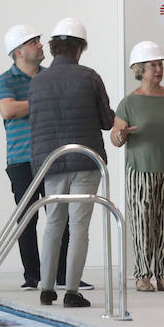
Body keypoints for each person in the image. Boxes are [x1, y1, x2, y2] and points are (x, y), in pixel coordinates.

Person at [28, 18, 114, 309]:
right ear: (80, 48)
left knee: (53, 224)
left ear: (54, 48)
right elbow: (105, 120)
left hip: (51, 162)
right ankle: (72, 291)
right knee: (79, 227)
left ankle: (46, 289)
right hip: (86, 159)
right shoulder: (89, 76)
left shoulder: (37, 82)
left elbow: (36, 126)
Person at [0, 25, 70, 290]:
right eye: (34, 42)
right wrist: (42, 101)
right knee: (27, 218)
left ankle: (63, 276)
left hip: (52, 157)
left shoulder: (52, 76)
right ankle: (33, 277)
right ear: (18, 51)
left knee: (59, 215)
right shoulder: (4, 81)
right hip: (20, 159)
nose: (40, 45)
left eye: (38, 40)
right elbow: (8, 110)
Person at [110, 41, 164, 293]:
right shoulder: (129, 102)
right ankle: (142, 274)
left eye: (160, 64)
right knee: (142, 221)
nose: (158, 69)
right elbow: (115, 136)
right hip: (140, 169)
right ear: (140, 69)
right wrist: (120, 135)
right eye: (152, 65)